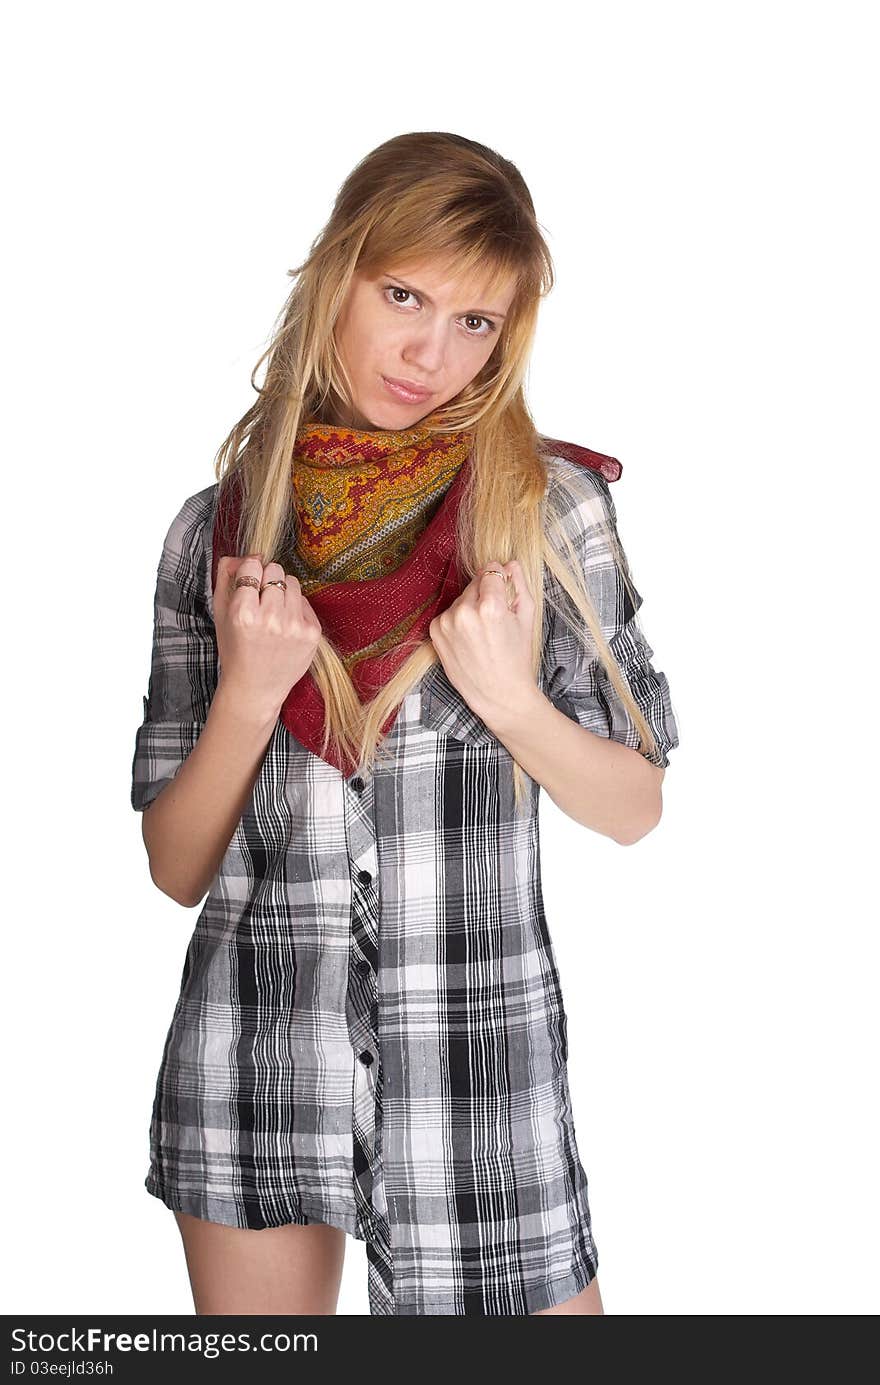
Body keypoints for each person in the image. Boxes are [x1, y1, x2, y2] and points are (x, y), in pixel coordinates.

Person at [131, 130, 681, 1317]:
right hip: (251, 1055)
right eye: (404, 296)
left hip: (478, 1071)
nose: (431, 353)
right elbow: (177, 866)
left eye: (476, 322)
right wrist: (245, 691)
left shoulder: (545, 508)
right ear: (340, 273)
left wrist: (512, 698)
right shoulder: (217, 531)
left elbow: (634, 805)